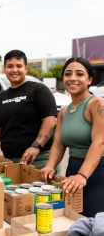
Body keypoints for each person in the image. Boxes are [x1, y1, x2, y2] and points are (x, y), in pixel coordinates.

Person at [39, 57, 104, 218]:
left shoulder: (97, 104)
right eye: (68, 74)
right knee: (72, 221)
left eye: (79, 74)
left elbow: (100, 141)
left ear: (89, 79)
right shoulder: (64, 111)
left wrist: (82, 175)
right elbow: (59, 144)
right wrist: (50, 166)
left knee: (93, 224)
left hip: (97, 173)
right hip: (72, 173)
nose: (72, 78)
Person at [0, 49, 60, 173]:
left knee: (40, 192)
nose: (14, 70)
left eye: (19, 66)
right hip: (9, 160)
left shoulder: (39, 90)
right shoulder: (1, 97)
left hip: (39, 159)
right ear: (5, 69)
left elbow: (49, 121)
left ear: (25, 68)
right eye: (10, 66)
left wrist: (36, 145)